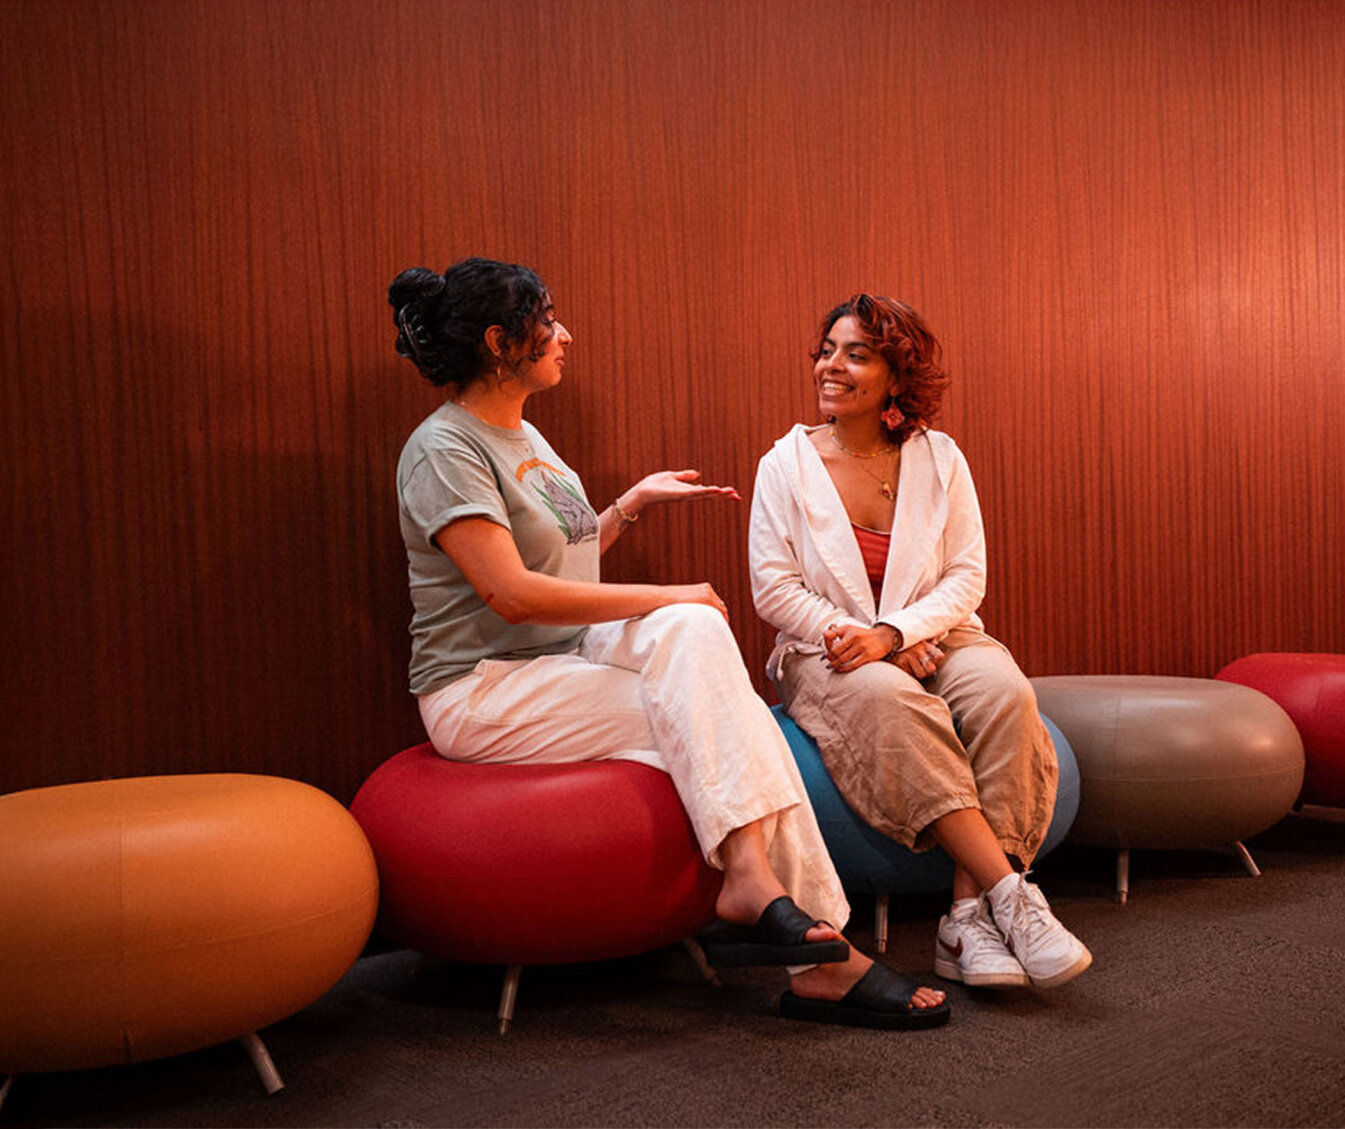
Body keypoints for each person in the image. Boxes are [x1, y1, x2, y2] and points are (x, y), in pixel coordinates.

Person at [391, 259, 947, 1029]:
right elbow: (512, 594)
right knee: (718, 703)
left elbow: (561, 555)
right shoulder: (444, 450)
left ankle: (753, 878)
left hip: (561, 663)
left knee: (696, 634)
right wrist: (667, 590)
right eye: (549, 322)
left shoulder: (522, 433)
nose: (565, 336)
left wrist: (628, 506)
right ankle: (824, 953)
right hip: (483, 688)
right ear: (499, 340)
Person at [746, 294, 1092, 991]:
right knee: (892, 702)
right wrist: (868, 641)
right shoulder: (784, 464)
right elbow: (774, 590)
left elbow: (968, 575)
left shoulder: (940, 458)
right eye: (827, 349)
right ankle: (1011, 894)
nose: (831, 366)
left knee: (1003, 692)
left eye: (856, 354)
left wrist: (897, 631)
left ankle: (963, 918)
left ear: (897, 377)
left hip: (935, 636)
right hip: (829, 650)